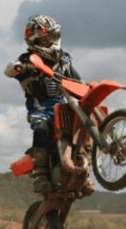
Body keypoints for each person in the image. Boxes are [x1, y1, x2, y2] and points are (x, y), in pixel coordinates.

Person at [5, 14, 82, 193]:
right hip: (41, 107)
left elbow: (78, 81)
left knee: (82, 124)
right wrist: (18, 68)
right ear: (35, 41)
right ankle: (40, 175)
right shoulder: (28, 59)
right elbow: (9, 70)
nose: (50, 42)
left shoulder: (64, 59)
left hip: (63, 105)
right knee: (40, 125)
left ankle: (83, 167)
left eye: (52, 37)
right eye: (45, 39)